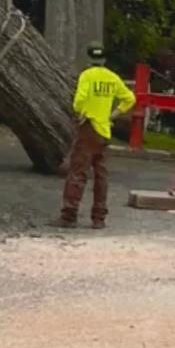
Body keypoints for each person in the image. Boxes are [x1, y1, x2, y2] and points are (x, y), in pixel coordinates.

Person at [57, 43, 136, 230]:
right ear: (104, 59)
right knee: (101, 175)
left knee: (77, 173)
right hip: (104, 130)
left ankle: (69, 215)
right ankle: (98, 218)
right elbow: (130, 98)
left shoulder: (87, 76)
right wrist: (114, 114)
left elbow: (78, 101)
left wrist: (81, 111)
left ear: (90, 58)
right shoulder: (112, 78)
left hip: (88, 127)